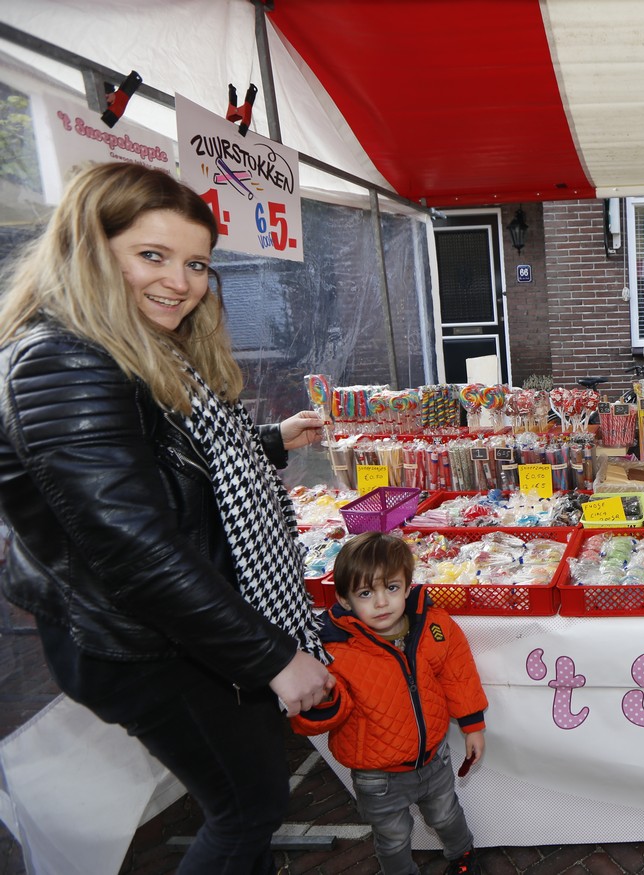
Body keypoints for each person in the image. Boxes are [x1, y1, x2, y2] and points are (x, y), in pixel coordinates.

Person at [0, 161, 334, 874]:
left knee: (249, 801)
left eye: (196, 264)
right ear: (90, 250)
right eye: (151, 255)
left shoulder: (130, 344)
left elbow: (158, 459)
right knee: (247, 809)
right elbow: (134, 545)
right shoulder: (64, 362)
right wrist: (272, 656)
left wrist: (269, 441)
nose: (179, 282)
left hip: (180, 625)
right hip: (147, 639)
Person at [291, 531, 488, 875]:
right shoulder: (333, 649)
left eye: (392, 588)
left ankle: (463, 855)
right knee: (393, 838)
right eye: (366, 593)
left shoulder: (432, 626)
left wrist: (472, 724)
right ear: (345, 599)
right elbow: (320, 714)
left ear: (408, 586)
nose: (381, 602)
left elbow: (457, 674)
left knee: (446, 815)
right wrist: (320, 700)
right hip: (377, 775)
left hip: (433, 759)